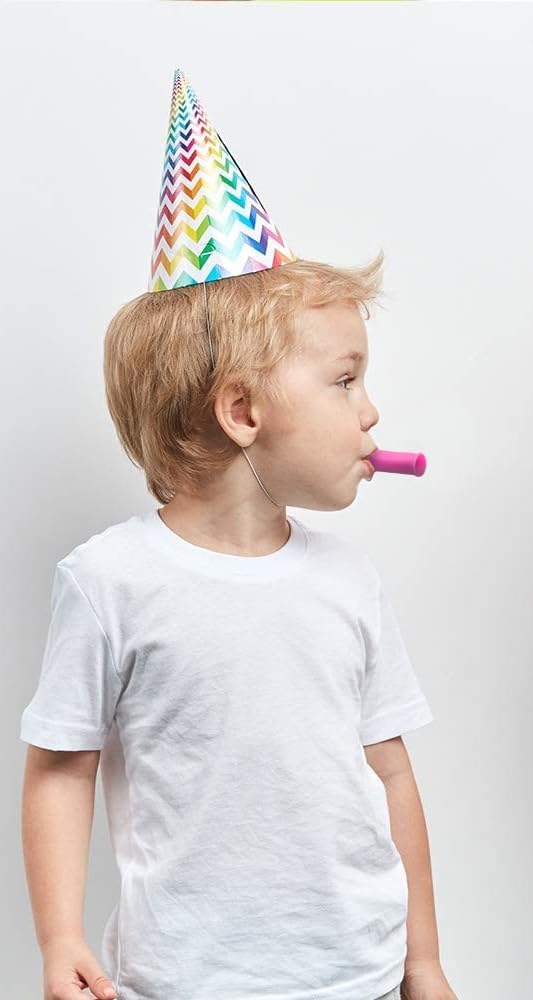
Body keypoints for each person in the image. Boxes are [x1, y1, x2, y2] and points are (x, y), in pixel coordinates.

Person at [20, 70, 457, 1000]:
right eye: (345, 380)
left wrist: (422, 960)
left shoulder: (349, 581)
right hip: (182, 981)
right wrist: (59, 941)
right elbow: (60, 768)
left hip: (358, 976)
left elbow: (390, 776)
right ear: (243, 411)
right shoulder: (109, 581)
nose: (372, 411)